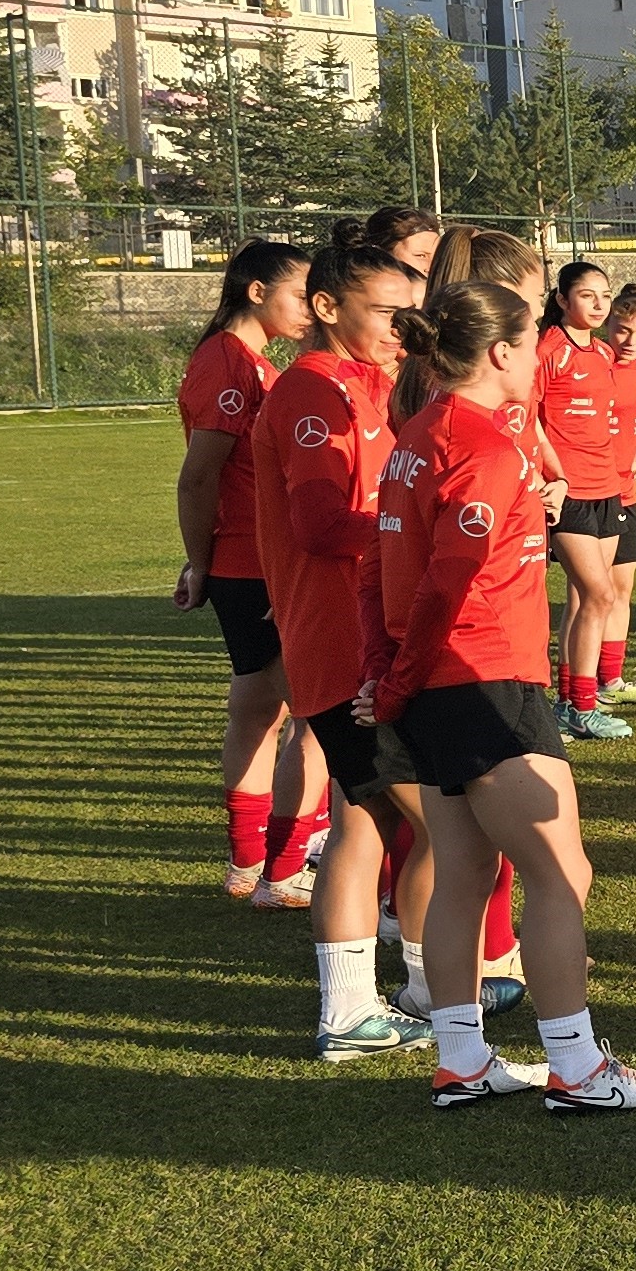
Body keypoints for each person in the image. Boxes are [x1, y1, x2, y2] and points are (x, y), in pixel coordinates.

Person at [368, 280, 636, 1115]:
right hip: (481, 679)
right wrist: (397, 680)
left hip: (443, 679)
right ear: (505, 353)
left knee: (468, 873)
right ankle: (578, 1070)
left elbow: (384, 565)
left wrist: (388, 668)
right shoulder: (482, 443)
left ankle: (463, 1060)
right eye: (529, 341)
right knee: (560, 870)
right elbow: (447, 580)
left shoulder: (418, 433)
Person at [256, 235, 434, 1060]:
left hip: (369, 637)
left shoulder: (368, 384)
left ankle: (370, 1004)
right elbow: (320, 523)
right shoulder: (309, 391)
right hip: (337, 643)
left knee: (371, 820)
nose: (405, 329)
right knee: (425, 820)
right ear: (326, 309)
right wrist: (415, 532)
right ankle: (421, 990)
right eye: (390, 314)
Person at [175, 238, 327, 906]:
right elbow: (199, 476)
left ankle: (250, 864)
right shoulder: (229, 365)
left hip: (256, 561)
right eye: (299, 294)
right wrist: (202, 564)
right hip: (251, 564)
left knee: (264, 706)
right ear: (256, 291)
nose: (309, 308)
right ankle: (282, 866)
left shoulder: (250, 361)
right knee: (313, 712)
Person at [537, 265, 636, 741]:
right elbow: (527, 418)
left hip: (609, 487)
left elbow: (625, 413)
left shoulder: (604, 352)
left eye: (605, 295)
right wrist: (554, 475)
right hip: (572, 493)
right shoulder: (548, 351)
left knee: (586, 599)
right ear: (563, 299)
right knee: (600, 595)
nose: (600, 304)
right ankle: (580, 705)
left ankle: (570, 703)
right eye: (588, 295)